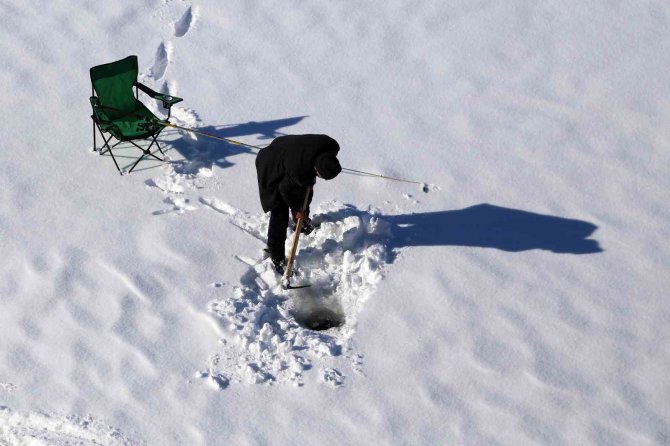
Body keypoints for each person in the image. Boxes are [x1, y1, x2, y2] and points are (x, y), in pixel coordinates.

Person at [255, 134, 341, 273]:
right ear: (316, 168)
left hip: (288, 152)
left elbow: (307, 185)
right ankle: (276, 254)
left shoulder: (330, 148)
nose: (319, 178)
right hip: (270, 162)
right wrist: (297, 210)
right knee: (279, 209)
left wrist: (302, 211)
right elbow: (286, 190)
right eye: (319, 175)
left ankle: (302, 221)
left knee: (304, 188)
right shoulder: (299, 169)